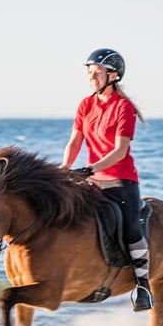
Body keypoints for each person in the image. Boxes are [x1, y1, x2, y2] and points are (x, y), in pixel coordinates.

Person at [61, 48, 152, 311]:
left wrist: (90, 169)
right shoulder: (85, 105)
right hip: (92, 178)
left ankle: (143, 286)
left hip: (120, 179)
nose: (92, 78)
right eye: (90, 73)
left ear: (113, 76)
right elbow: (75, 141)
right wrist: (64, 168)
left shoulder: (124, 108)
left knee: (130, 226)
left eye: (97, 73)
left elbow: (119, 151)